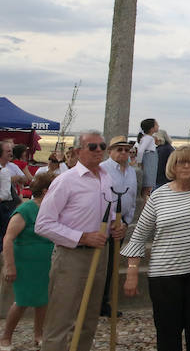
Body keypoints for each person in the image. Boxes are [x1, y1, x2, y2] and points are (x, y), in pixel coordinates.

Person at [121, 146, 190, 351]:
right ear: (172, 166)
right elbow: (140, 233)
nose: (186, 166)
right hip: (165, 273)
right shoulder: (159, 196)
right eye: (180, 162)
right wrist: (132, 270)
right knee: (168, 330)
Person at [34, 130, 126, 351]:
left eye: (102, 147)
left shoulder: (106, 178)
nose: (98, 151)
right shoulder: (66, 181)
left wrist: (116, 225)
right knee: (61, 319)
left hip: (100, 255)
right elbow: (43, 224)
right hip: (71, 256)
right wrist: (82, 237)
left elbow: (107, 214)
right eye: (92, 147)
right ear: (77, 151)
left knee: (88, 318)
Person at [1, 172, 55, 349]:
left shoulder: (52, 209)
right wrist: (9, 266)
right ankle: (6, 337)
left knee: (43, 299)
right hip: (25, 261)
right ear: (46, 190)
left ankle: (39, 334)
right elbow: (8, 238)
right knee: (23, 300)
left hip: (46, 260)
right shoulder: (25, 210)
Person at [99, 136, 138, 318]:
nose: (123, 153)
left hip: (121, 226)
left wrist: (126, 222)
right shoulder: (102, 169)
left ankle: (104, 302)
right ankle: (95, 302)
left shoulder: (131, 171)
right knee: (100, 265)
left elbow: (131, 196)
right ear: (110, 151)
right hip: (103, 225)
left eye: (126, 150)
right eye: (119, 149)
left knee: (111, 266)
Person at [0, 141, 28, 249]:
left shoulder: (12, 166)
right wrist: (11, 179)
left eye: (11, 151)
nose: (11, 153)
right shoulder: (4, 171)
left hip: (10, 205)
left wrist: (19, 178)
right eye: (7, 151)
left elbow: (26, 179)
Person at [136, 118, 159, 198]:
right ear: (152, 128)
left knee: (148, 186)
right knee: (147, 185)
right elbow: (140, 150)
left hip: (151, 160)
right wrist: (138, 162)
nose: (158, 126)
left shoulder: (149, 138)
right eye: (156, 124)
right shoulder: (148, 138)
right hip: (149, 161)